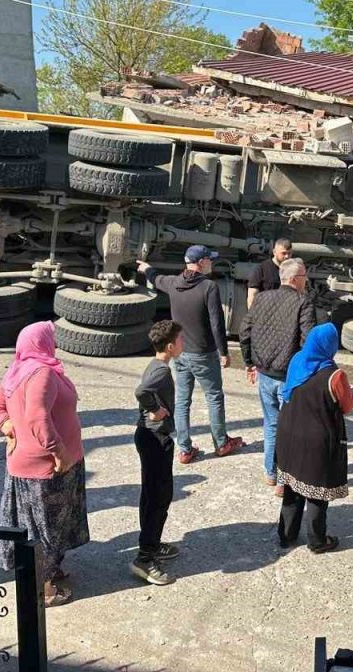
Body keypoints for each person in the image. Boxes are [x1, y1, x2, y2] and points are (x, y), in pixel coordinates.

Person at [0, 321, 87, 607]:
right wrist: (59, 451)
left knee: (45, 525)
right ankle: (43, 588)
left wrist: (8, 426)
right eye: (51, 339)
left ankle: (49, 572)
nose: (54, 343)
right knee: (46, 529)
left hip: (35, 464)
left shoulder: (19, 370)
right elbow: (37, 418)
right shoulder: (41, 373)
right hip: (46, 467)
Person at [136, 246, 243, 464]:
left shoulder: (175, 283)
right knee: (214, 397)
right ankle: (221, 443)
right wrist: (224, 352)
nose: (212, 262)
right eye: (210, 259)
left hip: (180, 353)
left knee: (182, 400)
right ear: (202, 262)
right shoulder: (208, 287)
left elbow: (156, 279)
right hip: (204, 353)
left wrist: (146, 268)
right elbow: (216, 322)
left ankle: (184, 449)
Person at [274, 323, 353, 554]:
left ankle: (286, 535)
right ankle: (317, 541)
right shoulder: (335, 375)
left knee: (292, 486)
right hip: (316, 441)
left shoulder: (298, 359)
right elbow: (347, 406)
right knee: (317, 491)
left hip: (289, 434)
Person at [240, 257, 314, 491]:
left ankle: (271, 473)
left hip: (265, 373)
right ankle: (283, 480)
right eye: (304, 277)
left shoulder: (261, 298)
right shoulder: (304, 303)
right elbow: (307, 341)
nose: (306, 281)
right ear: (294, 279)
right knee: (290, 429)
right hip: (289, 377)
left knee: (271, 425)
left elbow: (245, 331)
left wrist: (250, 362)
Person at [130, 320, 186, 587]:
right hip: (155, 438)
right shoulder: (161, 371)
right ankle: (145, 557)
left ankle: (152, 543)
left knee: (154, 495)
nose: (183, 344)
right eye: (181, 340)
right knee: (157, 497)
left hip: (150, 436)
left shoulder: (156, 365)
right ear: (170, 346)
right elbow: (142, 392)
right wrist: (156, 409)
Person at [247, 238, 293, 308]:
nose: (287, 256)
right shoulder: (261, 269)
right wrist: (253, 316)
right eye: (283, 253)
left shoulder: (293, 270)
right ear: (274, 252)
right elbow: (252, 295)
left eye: (289, 253)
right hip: (265, 312)